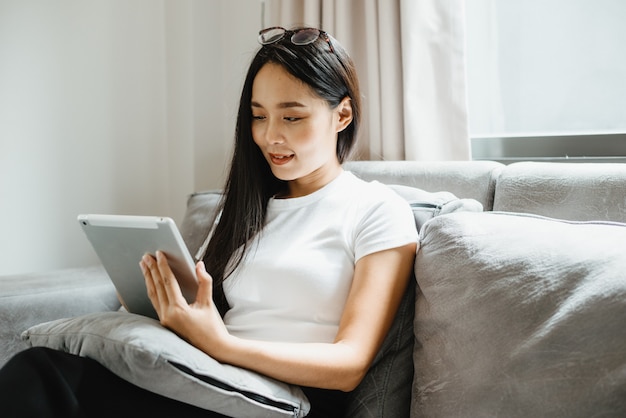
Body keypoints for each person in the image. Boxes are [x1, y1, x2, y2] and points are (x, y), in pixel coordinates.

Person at [0, 26, 418, 417]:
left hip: (283, 400)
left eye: (292, 117)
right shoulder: (245, 209)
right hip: (212, 378)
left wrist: (222, 345)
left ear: (342, 116)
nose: (270, 135)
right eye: (259, 116)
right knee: (48, 375)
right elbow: (204, 310)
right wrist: (157, 300)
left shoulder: (376, 209)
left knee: (47, 377)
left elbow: (349, 365)